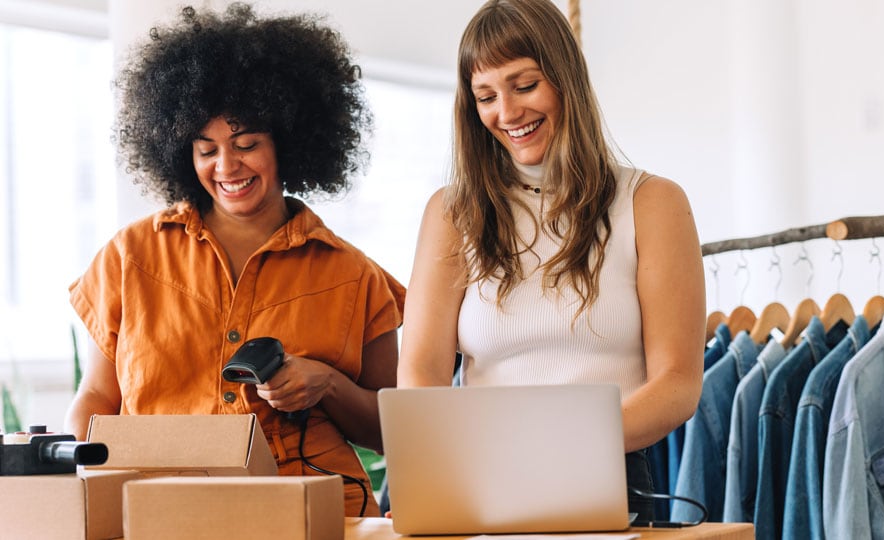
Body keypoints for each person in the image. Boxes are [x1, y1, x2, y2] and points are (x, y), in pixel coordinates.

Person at [63, 3, 403, 517]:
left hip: (317, 509)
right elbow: (95, 401)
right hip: (162, 510)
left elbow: (392, 433)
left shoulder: (355, 275)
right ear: (182, 152)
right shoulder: (129, 257)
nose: (227, 167)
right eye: (206, 150)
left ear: (287, 144)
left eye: (246, 144)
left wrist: (327, 384)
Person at [396, 0, 705, 522]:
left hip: (612, 479)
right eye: (486, 96)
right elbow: (420, 375)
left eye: (524, 85)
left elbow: (677, 384)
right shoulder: (452, 213)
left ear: (566, 79)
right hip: (478, 479)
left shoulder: (652, 204)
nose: (507, 113)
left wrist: (559, 445)